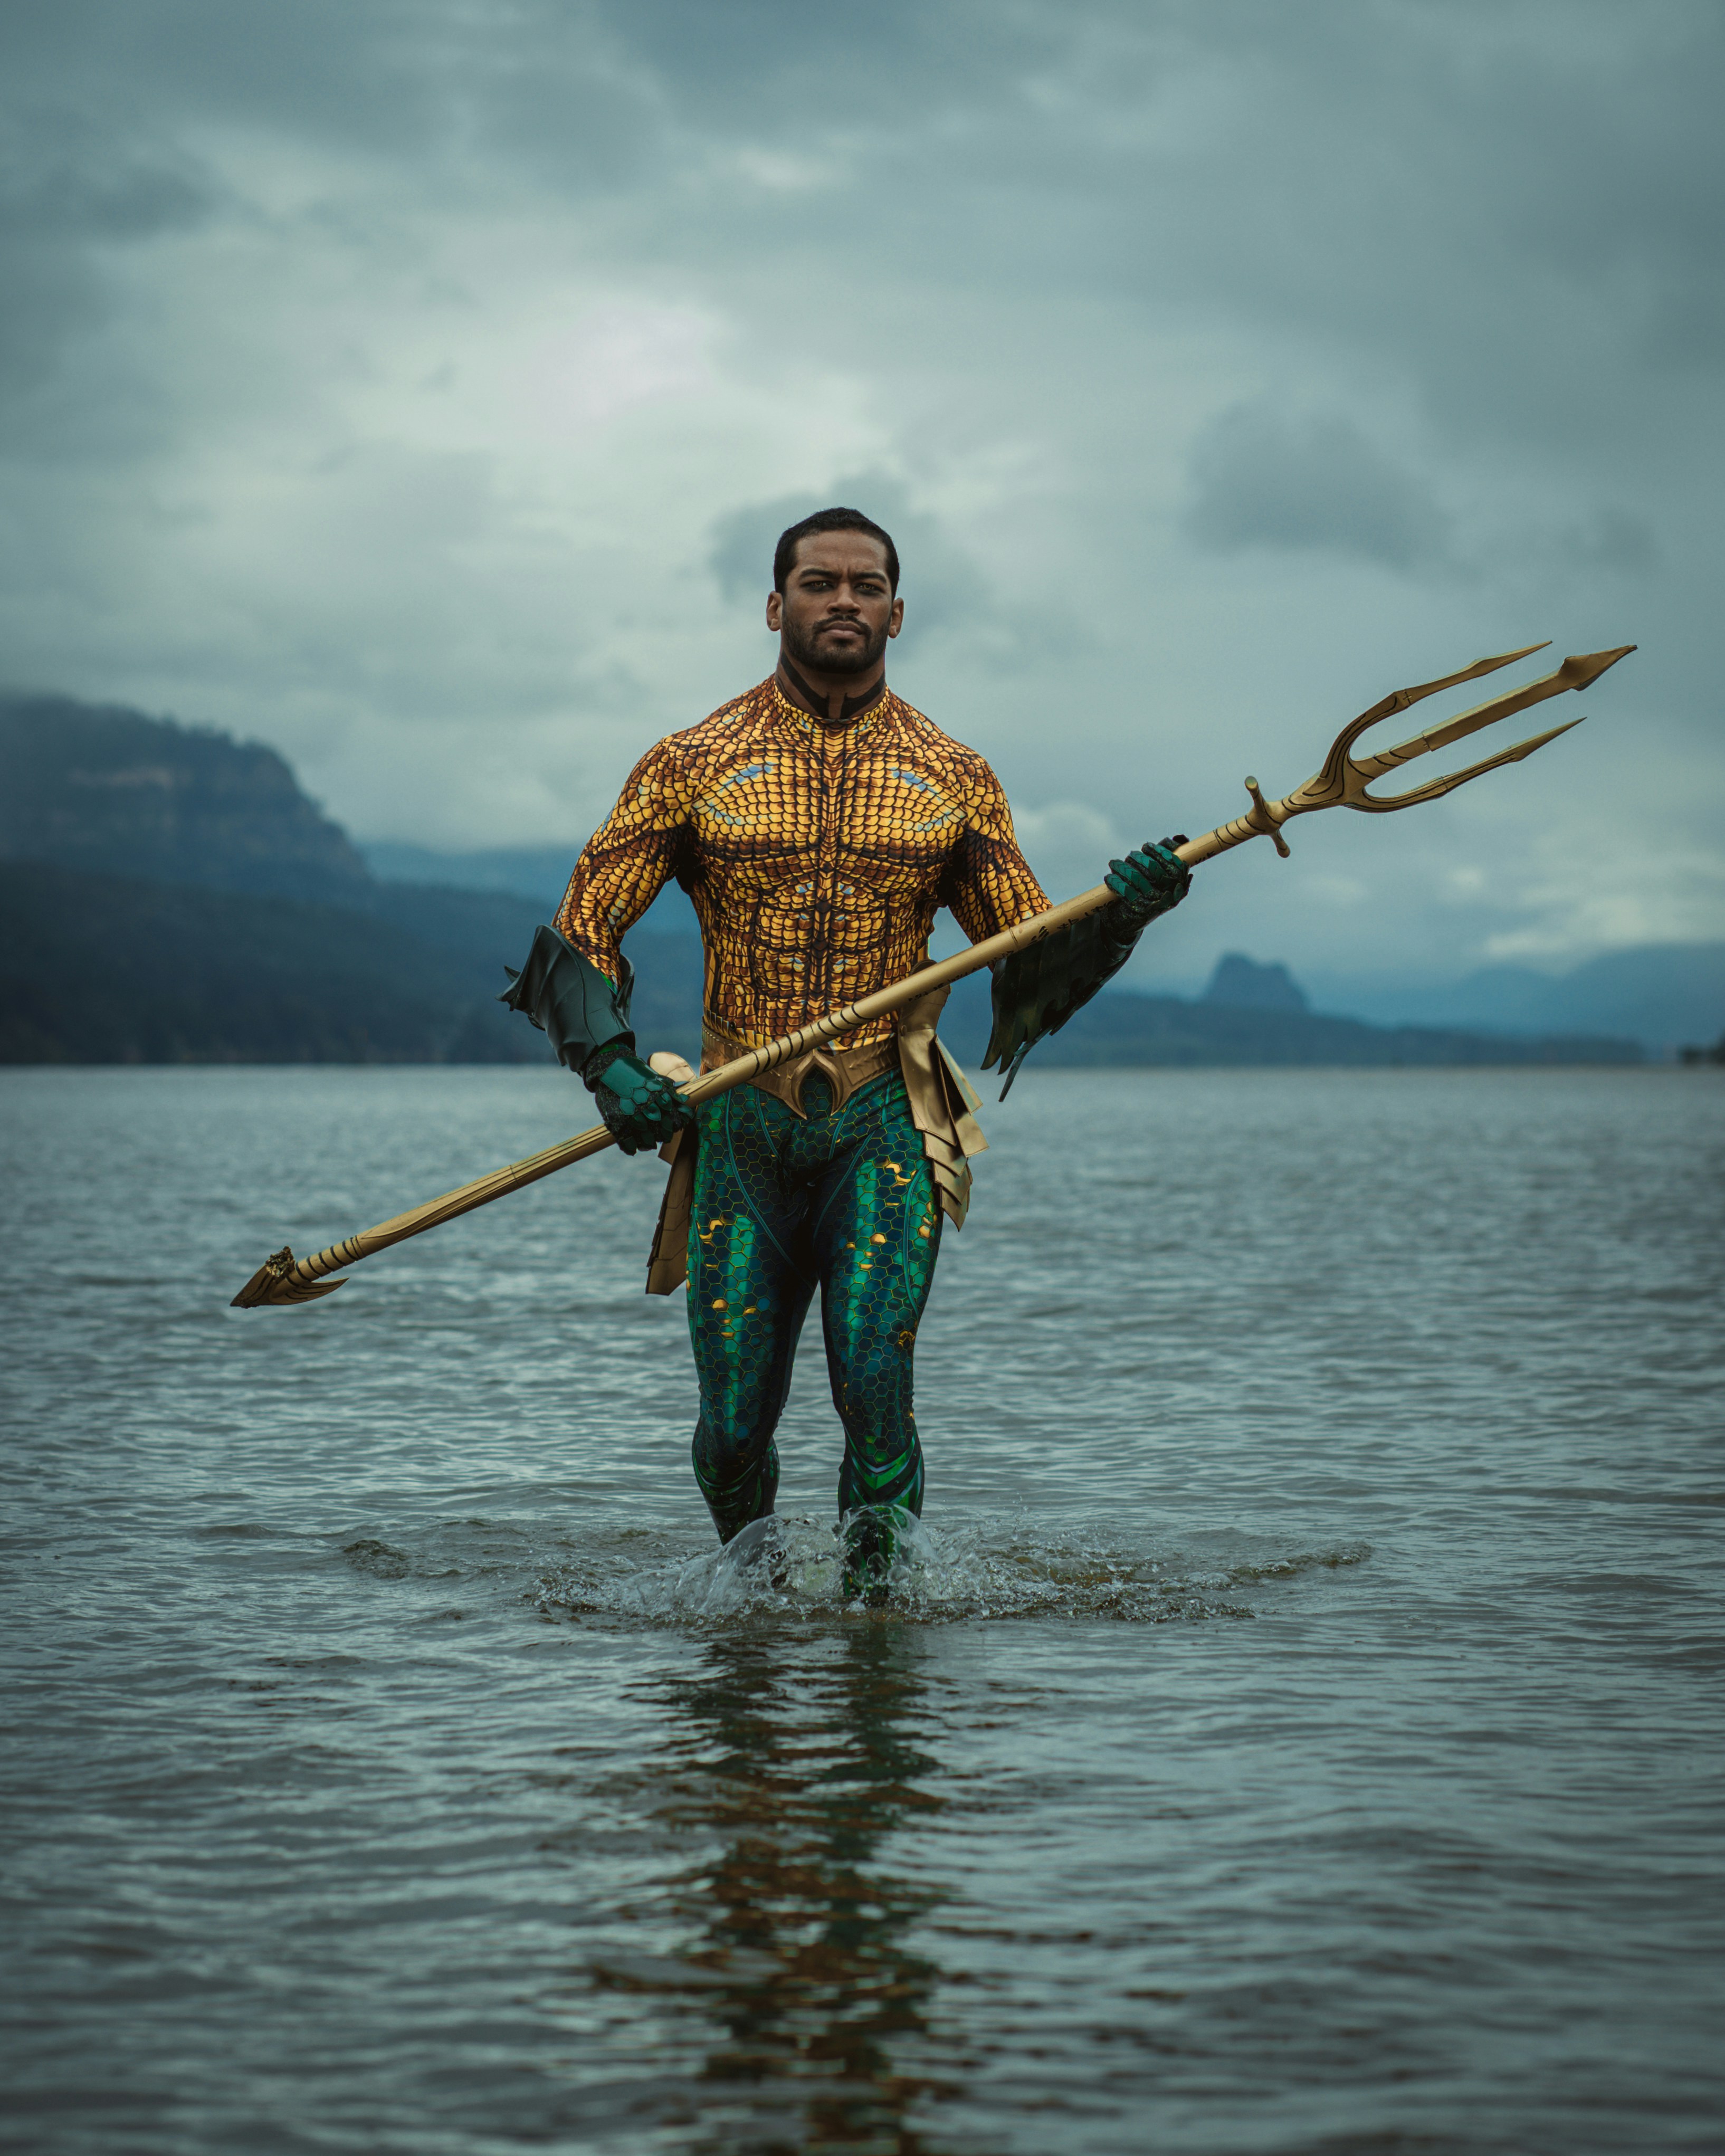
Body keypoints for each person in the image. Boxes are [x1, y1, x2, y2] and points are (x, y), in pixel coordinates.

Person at [503, 507, 1190, 1590]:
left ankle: (877, 1633)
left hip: (883, 1120)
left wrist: (1122, 918)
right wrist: (615, 1068)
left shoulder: (953, 776)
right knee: (731, 1427)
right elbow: (582, 928)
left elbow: (1026, 964)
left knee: (876, 1389)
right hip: (741, 1120)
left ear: (898, 613)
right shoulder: (691, 763)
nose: (843, 603)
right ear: (776, 606)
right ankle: (757, 1607)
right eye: (819, 585)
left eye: (865, 587)